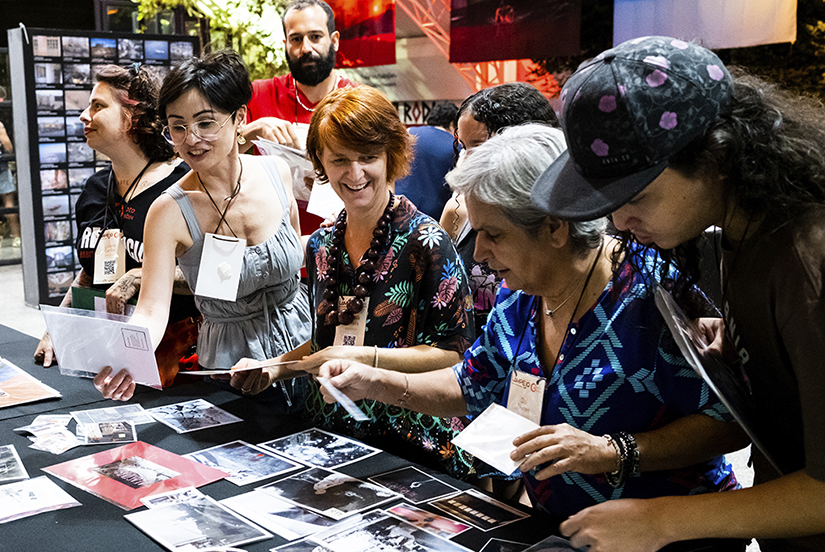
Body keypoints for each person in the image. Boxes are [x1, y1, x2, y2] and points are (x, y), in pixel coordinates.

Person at [315, 124, 748, 552]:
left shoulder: (649, 299)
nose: (479, 252)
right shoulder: (519, 294)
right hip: (560, 532)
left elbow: (729, 424)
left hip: (669, 540)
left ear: (555, 227)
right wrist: (375, 382)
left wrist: (613, 451)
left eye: (494, 234)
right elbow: (471, 385)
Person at [531, 36, 825, 551]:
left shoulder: (807, 261)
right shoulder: (738, 231)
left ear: (717, 157)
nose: (620, 220)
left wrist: (661, 520)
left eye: (637, 196)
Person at [230, 85, 476, 478]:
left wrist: (364, 360)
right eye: (340, 159)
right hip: (330, 434)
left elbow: (454, 353)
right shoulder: (322, 244)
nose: (355, 173)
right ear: (320, 164)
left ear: (391, 157)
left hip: (410, 441)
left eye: (368, 157)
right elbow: (327, 342)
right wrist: (275, 367)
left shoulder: (426, 242)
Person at [94, 51, 311, 410]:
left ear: (239, 117)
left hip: (305, 351)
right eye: (177, 127)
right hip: (232, 374)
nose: (191, 139)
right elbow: (151, 309)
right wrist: (128, 357)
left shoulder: (277, 172)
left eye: (205, 123)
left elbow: (292, 253)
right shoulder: (168, 211)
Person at [33, 64, 197, 376]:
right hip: (107, 355)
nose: (84, 116)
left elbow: (211, 274)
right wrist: (56, 330)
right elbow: (89, 273)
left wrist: (140, 276)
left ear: (133, 117)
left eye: (98, 106)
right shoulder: (95, 188)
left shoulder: (185, 185)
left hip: (176, 361)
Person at [439, 82, 559, 335]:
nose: (468, 158)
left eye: (479, 145)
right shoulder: (458, 212)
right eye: (464, 147)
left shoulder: (561, 218)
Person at [241, 0, 357, 236]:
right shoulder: (258, 94)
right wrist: (253, 131)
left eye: (315, 37)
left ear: (334, 40)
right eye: (296, 39)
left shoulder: (360, 102)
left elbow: (386, 183)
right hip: (270, 242)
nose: (305, 48)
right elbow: (220, 157)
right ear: (285, 44)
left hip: (341, 242)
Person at [394, 102, 458, 221]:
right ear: (451, 124)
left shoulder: (408, 133)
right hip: (432, 216)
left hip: (398, 206)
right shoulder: (455, 146)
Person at [0, 119, 20, 249]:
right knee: (9, 203)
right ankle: (16, 237)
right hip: (1, 169)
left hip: (1, 170)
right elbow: (8, 147)